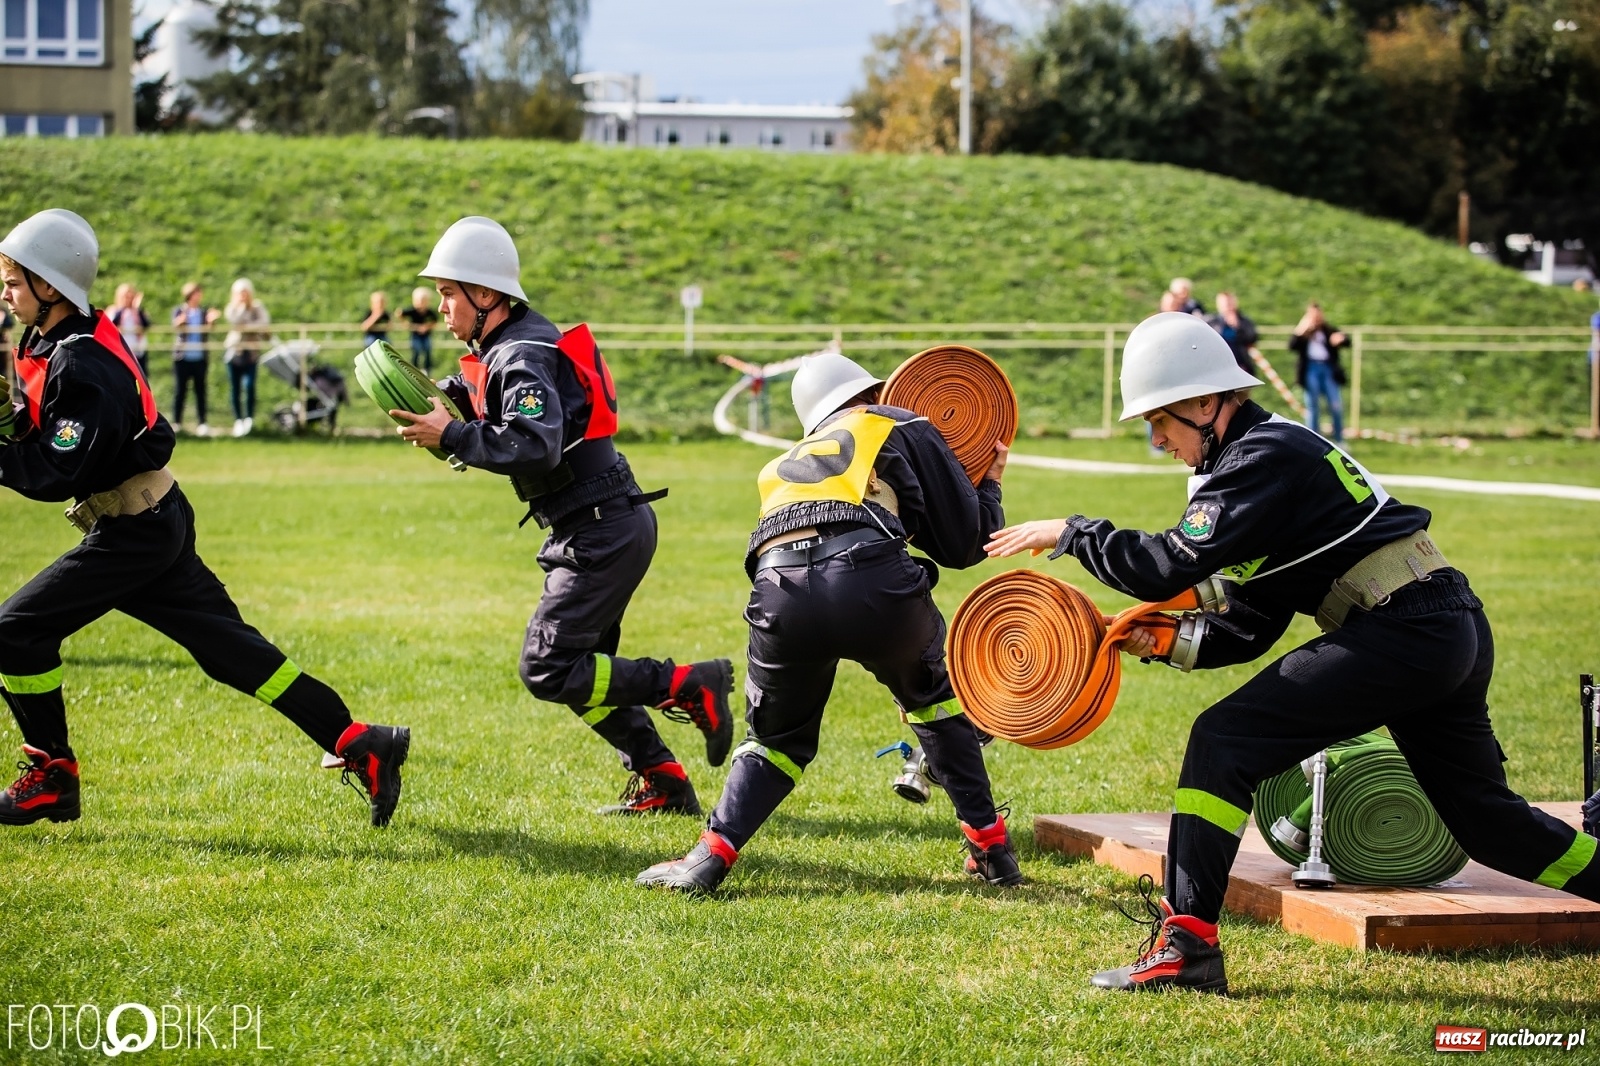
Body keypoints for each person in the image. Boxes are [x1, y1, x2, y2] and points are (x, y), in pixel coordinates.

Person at [985, 312, 1600, 994]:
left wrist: (1075, 532)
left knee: (1222, 740)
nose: (1157, 439)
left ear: (1205, 402)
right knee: (1491, 829)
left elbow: (1167, 563)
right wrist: (1159, 639)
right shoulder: (1261, 460)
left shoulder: (1261, 458)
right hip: (1437, 623)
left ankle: (1186, 947)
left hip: (1408, 629)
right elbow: (1250, 624)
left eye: (1161, 418)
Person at [0, 209, 411, 828]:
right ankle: (360, 741)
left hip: (135, 531)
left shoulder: (82, 364)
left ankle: (53, 776)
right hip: (151, 519)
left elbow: (56, 470)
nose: (5, 292)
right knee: (234, 655)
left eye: (13, 280)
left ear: (51, 287)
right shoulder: (58, 342)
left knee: (14, 632)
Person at [636, 352, 1020, 895]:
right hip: (872, 578)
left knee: (775, 740)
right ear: (870, 395)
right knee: (935, 702)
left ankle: (709, 856)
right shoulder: (897, 421)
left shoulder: (784, 461)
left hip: (778, 586)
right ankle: (991, 849)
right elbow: (963, 544)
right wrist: (992, 484)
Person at [390, 216, 733, 814]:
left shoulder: (519, 352)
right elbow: (485, 399)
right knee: (582, 671)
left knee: (547, 668)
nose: (442, 307)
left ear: (486, 295)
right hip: (603, 524)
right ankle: (664, 780)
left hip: (600, 530)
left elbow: (533, 441)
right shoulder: (511, 344)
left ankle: (688, 684)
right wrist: (438, 399)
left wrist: (452, 436)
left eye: (449, 293)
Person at [1288, 302, 1347, 442]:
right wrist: (1301, 329)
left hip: (1327, 368)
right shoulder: (1304, 333)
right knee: (1313, 405)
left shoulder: (1327, 330)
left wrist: (1341, 339)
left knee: (1335, 404)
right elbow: (1291, 345)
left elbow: (1345, 340)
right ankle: (1313, 439)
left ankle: (1339, 439)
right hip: (1311, 368)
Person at [223, 277, 270, 437]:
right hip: (234, 353)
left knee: (249, 386)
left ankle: (249, 418)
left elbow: (264, 323)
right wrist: (242, 308)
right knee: (235, 388)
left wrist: (247, 326)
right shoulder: (232, 308)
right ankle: (238, 420)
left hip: (251, 353)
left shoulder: (257, 307)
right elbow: (235, 322)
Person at [171, 281, 218, 435]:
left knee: (200, 391)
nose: (199, 295)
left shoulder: (203, 312)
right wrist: (180, 321)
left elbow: (209, 329)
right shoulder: (180, 310)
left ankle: (202, 422)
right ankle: (177, 422)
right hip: (182, 357)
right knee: (180, 391)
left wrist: (212, 321)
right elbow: (175, 325)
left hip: (200, 357)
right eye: (197, 293)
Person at [1206, 292, 1258, 375]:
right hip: (1219, 365)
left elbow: (1252, 338)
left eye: (1229, 303)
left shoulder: (1244, 321)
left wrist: (1238, 327)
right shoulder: (1212, 322)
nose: (1227, 307)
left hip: (1240, 363)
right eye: (1225, 304)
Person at [107, 283, 150, 378]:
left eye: (131, 296)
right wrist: (123, 308)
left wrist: (137, 309)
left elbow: (146, 324)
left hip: (138, 350)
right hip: (120, 350)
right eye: (126, 296)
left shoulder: (138, 312)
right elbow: (112, 323)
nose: (129, 299)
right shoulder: (114, 310)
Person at [400, 287, 439, 372]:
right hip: (415, 336)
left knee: (427, 351)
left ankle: (427, 370)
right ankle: (414, 369)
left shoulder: (429, 312)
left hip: (426, 336)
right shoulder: (412, 310)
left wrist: (426, 327)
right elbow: (399, 313)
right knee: (416, 351)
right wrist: (407, 324)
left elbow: (435, 321)